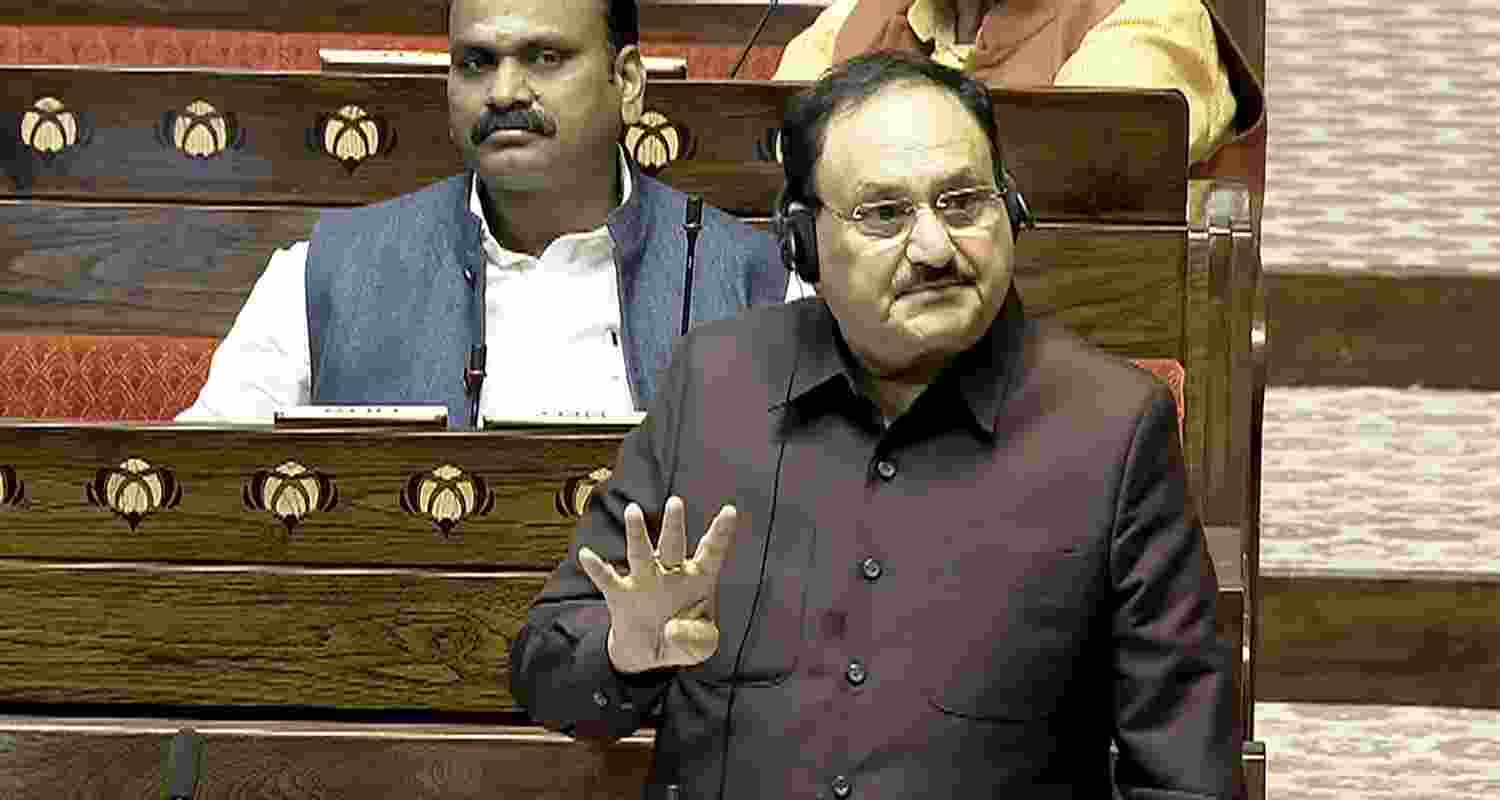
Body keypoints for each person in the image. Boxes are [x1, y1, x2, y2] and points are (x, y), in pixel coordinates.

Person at [511, 52, 1234, 799]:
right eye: (884, 214)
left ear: (1010, 211)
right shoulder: (715, 384)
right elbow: (548, 673)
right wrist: (624, 652)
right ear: (800, 240)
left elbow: (1185, 777)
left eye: (962, 203)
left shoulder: (1112, 429)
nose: (933, 248)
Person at [177, 0, 787, 427]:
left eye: (545, 57)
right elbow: (205, 491)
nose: (503, 93)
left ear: (626, 81)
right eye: (476, 63)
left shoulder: (760, 286)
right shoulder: (318, 280)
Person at [773, 0, 1264, 166]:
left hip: (1053, 363)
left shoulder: (1151, 17)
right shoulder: (864, 17)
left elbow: (1068, 167)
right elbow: (765, 152)